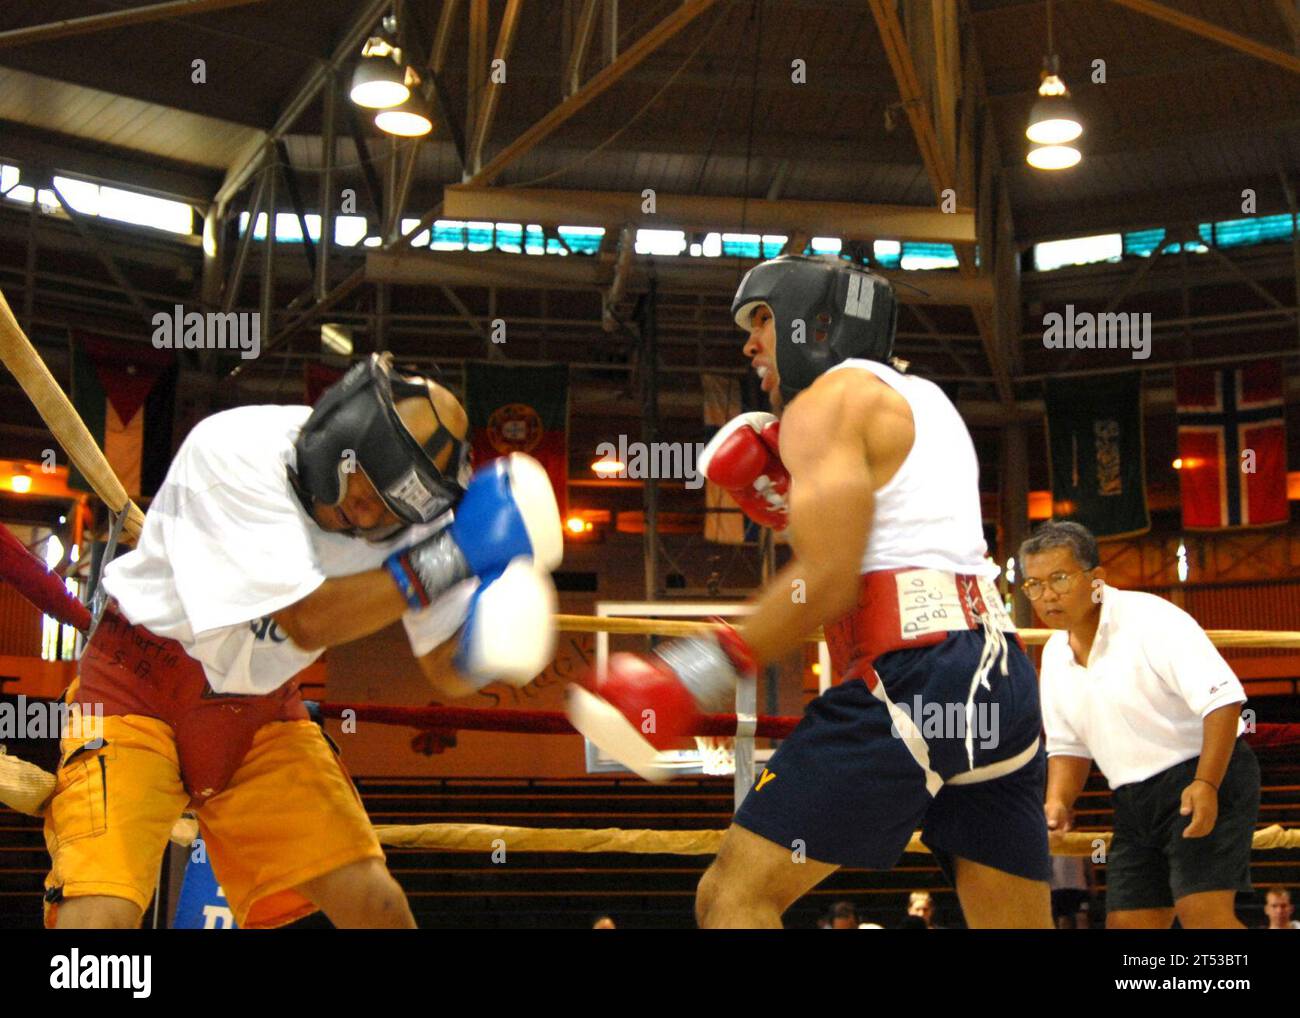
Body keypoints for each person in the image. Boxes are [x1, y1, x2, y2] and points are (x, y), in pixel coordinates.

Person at [568, 254, 1052, 929]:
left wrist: (691, 671)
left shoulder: (824, 403)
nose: (749, 344)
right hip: (998, 677)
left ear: (812, 323)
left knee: (733, 896)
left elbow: (825, 579)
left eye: (762, 319)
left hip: (914, 675)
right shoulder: (927, 400)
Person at [42, 353, 562, 929]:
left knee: (377, 903)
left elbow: (442, 668)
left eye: (387, 510)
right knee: (99, 912)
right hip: (132, 690)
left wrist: (495, 644)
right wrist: (452, 557)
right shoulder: (234, 450)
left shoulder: (423, 521)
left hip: (259, 714)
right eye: (362, 486)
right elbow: (305, 620)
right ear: (339, 438)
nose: (363, 514)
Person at [1022, 520, 1260, 930]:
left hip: (1200, 773)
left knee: (1204, 915)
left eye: (1059, 579)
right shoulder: (1056, 656)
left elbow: (1223, 701)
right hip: (1132, 799)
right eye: (1034, 584)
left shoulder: (1150, 619)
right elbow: (1067, 747)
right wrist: (1058, 802)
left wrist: (1206, 783)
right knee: (1129, 926)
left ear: (1096, 580)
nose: (1047, 595)